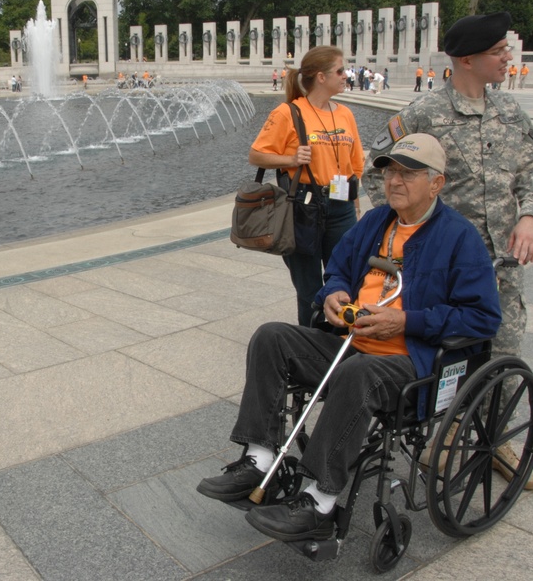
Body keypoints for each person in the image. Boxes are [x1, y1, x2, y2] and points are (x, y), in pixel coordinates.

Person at [197, 134, 502, 541]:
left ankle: (319, 501)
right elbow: (337, 270)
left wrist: (406, 322)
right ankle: (260, 458)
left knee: (360, 373)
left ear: (437, 183)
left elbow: (483, 318)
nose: (395, 181)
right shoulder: (376, 222)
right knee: (271, 337)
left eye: (408, 173)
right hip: (351, 342)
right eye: (391, 170)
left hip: (411, 362)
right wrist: (333, 295)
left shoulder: (460, 239)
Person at [363, 12, 533, 489]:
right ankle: (443, 439)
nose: (508, 58)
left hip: (502, 267)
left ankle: (496, 442)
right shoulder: (424, 113)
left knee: (504, 351)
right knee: (448, 354)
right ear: (467, 59)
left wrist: (529, 214)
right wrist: (408, 235)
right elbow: (375, 172)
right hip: (444, 268)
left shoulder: (509, 111)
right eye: (498, 52)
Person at [248, 46, 364, 327]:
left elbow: (354, 162)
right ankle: (309, 345)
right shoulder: (289, 112)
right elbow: (256, 155)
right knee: (309, 287)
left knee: (346, 278)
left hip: (341, 204)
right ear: (321, 77)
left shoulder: (345, 114)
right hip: (303, 206)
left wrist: (355, 202)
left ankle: (339, 341)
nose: (345, 75)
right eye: (340, 70)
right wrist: (290, 158)